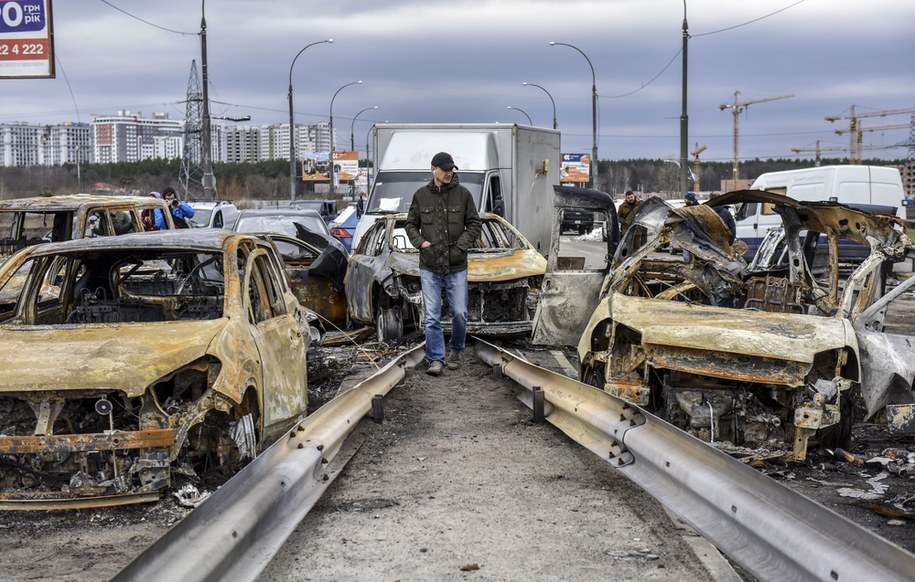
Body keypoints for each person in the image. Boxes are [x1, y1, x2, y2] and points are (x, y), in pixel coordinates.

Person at [405, 152, 482, 377]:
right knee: (432, 316)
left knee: (459, 313)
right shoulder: (420, 196)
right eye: (445, 169)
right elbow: (410, 224)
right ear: (433, 170)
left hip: (457, 264)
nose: (449, 173)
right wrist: (421, 243)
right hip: (429, 264)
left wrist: (460, 246)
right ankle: (436, 359)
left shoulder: (463, 195)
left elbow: (475, 224)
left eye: (451, 169)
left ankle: (456, 351)